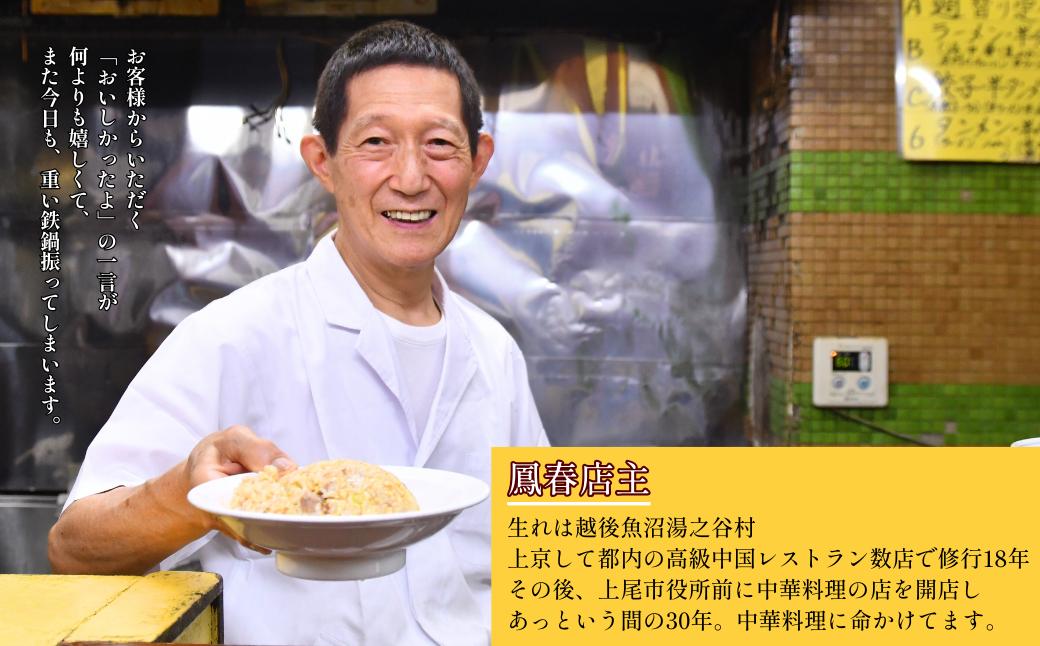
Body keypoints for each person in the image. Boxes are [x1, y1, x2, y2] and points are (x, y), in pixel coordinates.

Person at [48, 20, 549, 645]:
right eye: (376, 142)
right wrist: (186, 493)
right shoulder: (234, 336)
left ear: (478, 161)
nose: (411, 177)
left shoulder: (495, 354)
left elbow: (544, 551)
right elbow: (74, 549)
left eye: (440, 145)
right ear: (322, 161)